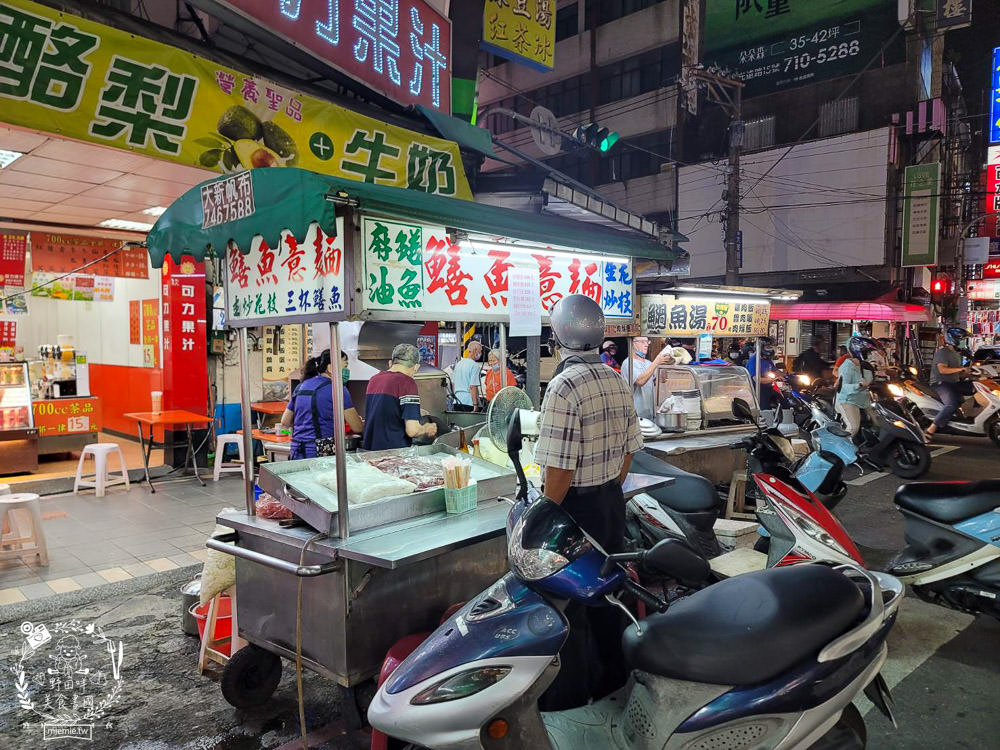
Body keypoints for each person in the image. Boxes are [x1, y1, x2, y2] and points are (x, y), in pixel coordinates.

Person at [533, 294, 644, 711]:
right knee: (608, 595)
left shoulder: (563, 386)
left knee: (569, 608)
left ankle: (572, 703)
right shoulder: (615, 378)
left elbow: (559, 471)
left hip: (573, 511)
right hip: (610, 505)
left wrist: (543, 514)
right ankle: (615, 683)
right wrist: (606, 486)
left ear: (557, 337)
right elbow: (630, 449)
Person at [281, 350, 363, 459]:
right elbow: (357, 427)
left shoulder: (301, 386)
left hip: (297, 449)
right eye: (345, 366)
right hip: (321, 451)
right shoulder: (337, 389)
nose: (346, 370)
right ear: (330, 368)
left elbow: (285, 421)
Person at [362, 343, 437, 451]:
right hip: (393, 455)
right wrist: (427, 428)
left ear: (390, 363)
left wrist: (414, 411)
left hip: (370, 452)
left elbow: (385, 409)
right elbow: (412, 430)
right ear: (416, 367)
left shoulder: (374, 379)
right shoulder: (407, 382)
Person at [926, 327, 973, 439]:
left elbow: (958, 374)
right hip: (940, 383)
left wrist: (971, 374)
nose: (963, 342)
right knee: (951, 404)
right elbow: (943, 370)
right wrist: (961, 369)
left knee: (974, 387)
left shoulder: (957, 354)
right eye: (962, 339)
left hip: (954, 383)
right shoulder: (943, 352)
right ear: (954, 339)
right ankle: (930, 430)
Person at [621, 336, 674, 420]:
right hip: (636, 415)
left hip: (649, 413)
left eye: (647, 342)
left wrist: (667, 362)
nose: (646, 345)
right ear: (633, 344)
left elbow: (662, 379)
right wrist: (656, 361)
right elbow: (640, 381)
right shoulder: (628, 363)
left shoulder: (648, 363)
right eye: (642, 342)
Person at [835, 336, 877, 436]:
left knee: (879, 422)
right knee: (853, 427)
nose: (870, 354)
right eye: (867, 352)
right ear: (858, 351)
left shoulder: (865, 366)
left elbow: (870, 380)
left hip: (863, 400)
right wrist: (858, 385)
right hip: (848, 400)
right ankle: (842, 448)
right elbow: (844, 388)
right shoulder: (847, 366)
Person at [745, 339, 778, 410]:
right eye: (767, 347)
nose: (770, 349)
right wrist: (773, 379)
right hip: (757, 389)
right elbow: (757, 379)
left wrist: (785, 375)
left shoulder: (767, 360)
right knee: (765, 406)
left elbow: (775, 371)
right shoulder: (754, 360)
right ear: (761, 347)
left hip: (768, 387)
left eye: (770, 347)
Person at [450, 340, 483, 411]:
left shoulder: (459, 364)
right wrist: (475, 404)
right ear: (475, 351)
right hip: (468, 402)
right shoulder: (474, 366)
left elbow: (453, 384)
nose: (481, 354)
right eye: (480, 351)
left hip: (457, 401)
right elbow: (472, 386)